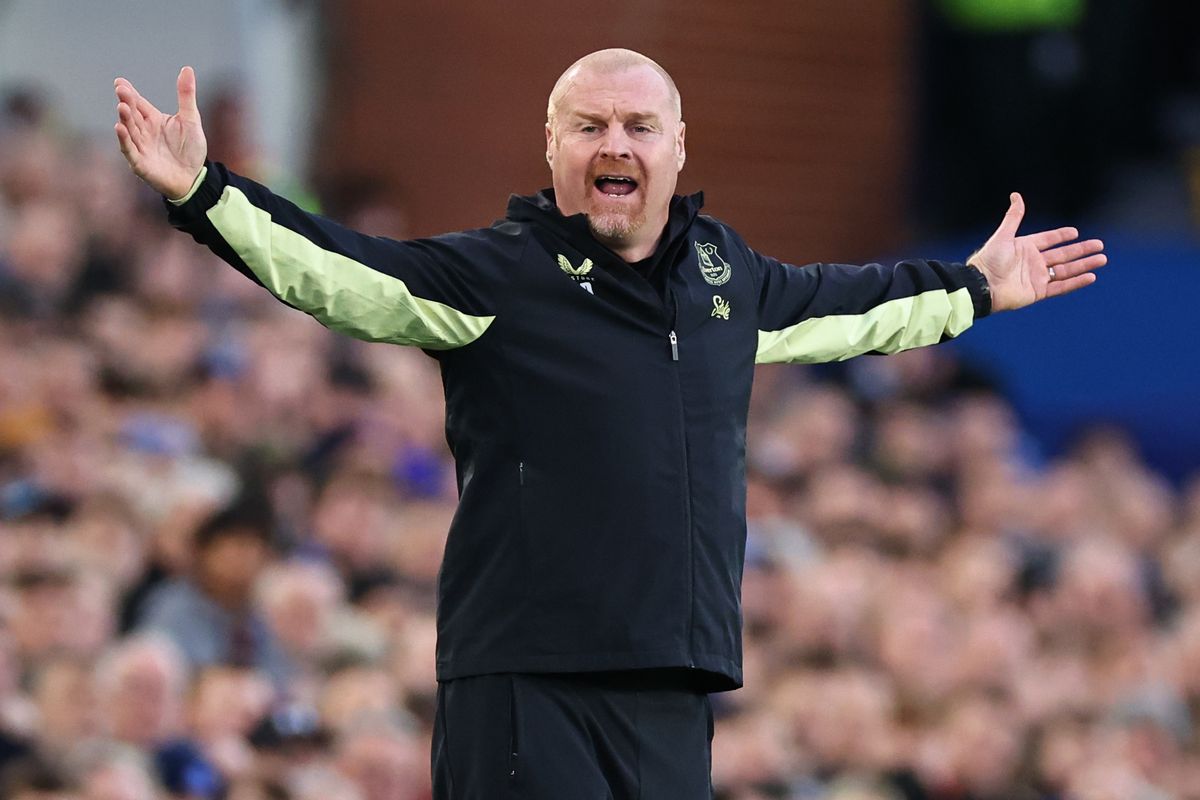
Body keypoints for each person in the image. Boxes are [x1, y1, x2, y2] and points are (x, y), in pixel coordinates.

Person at [114, 48, 1106, 799]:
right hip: (524, 679)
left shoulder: (726, 275)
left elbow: (853, 301)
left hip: (673, 680)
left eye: (638, 125)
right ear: (552, 149)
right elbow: (340, 271)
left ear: (679, 147)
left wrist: (974, 287)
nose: (615, 144)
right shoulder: (499, 272)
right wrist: (208, 194)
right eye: (589, 126)